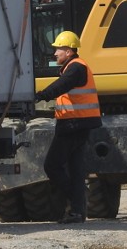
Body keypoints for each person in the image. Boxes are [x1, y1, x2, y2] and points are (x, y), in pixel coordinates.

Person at [34, 31, 102, 224]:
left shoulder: (75, 68)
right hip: (78, 123)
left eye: (58, 49)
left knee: (52, 165)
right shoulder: (74, 67)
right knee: (76, 169)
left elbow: (61, 85)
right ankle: (77, 212)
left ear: (69, 51)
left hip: (74, 124)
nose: (55, 53)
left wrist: (40, 95)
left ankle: (76, 200)